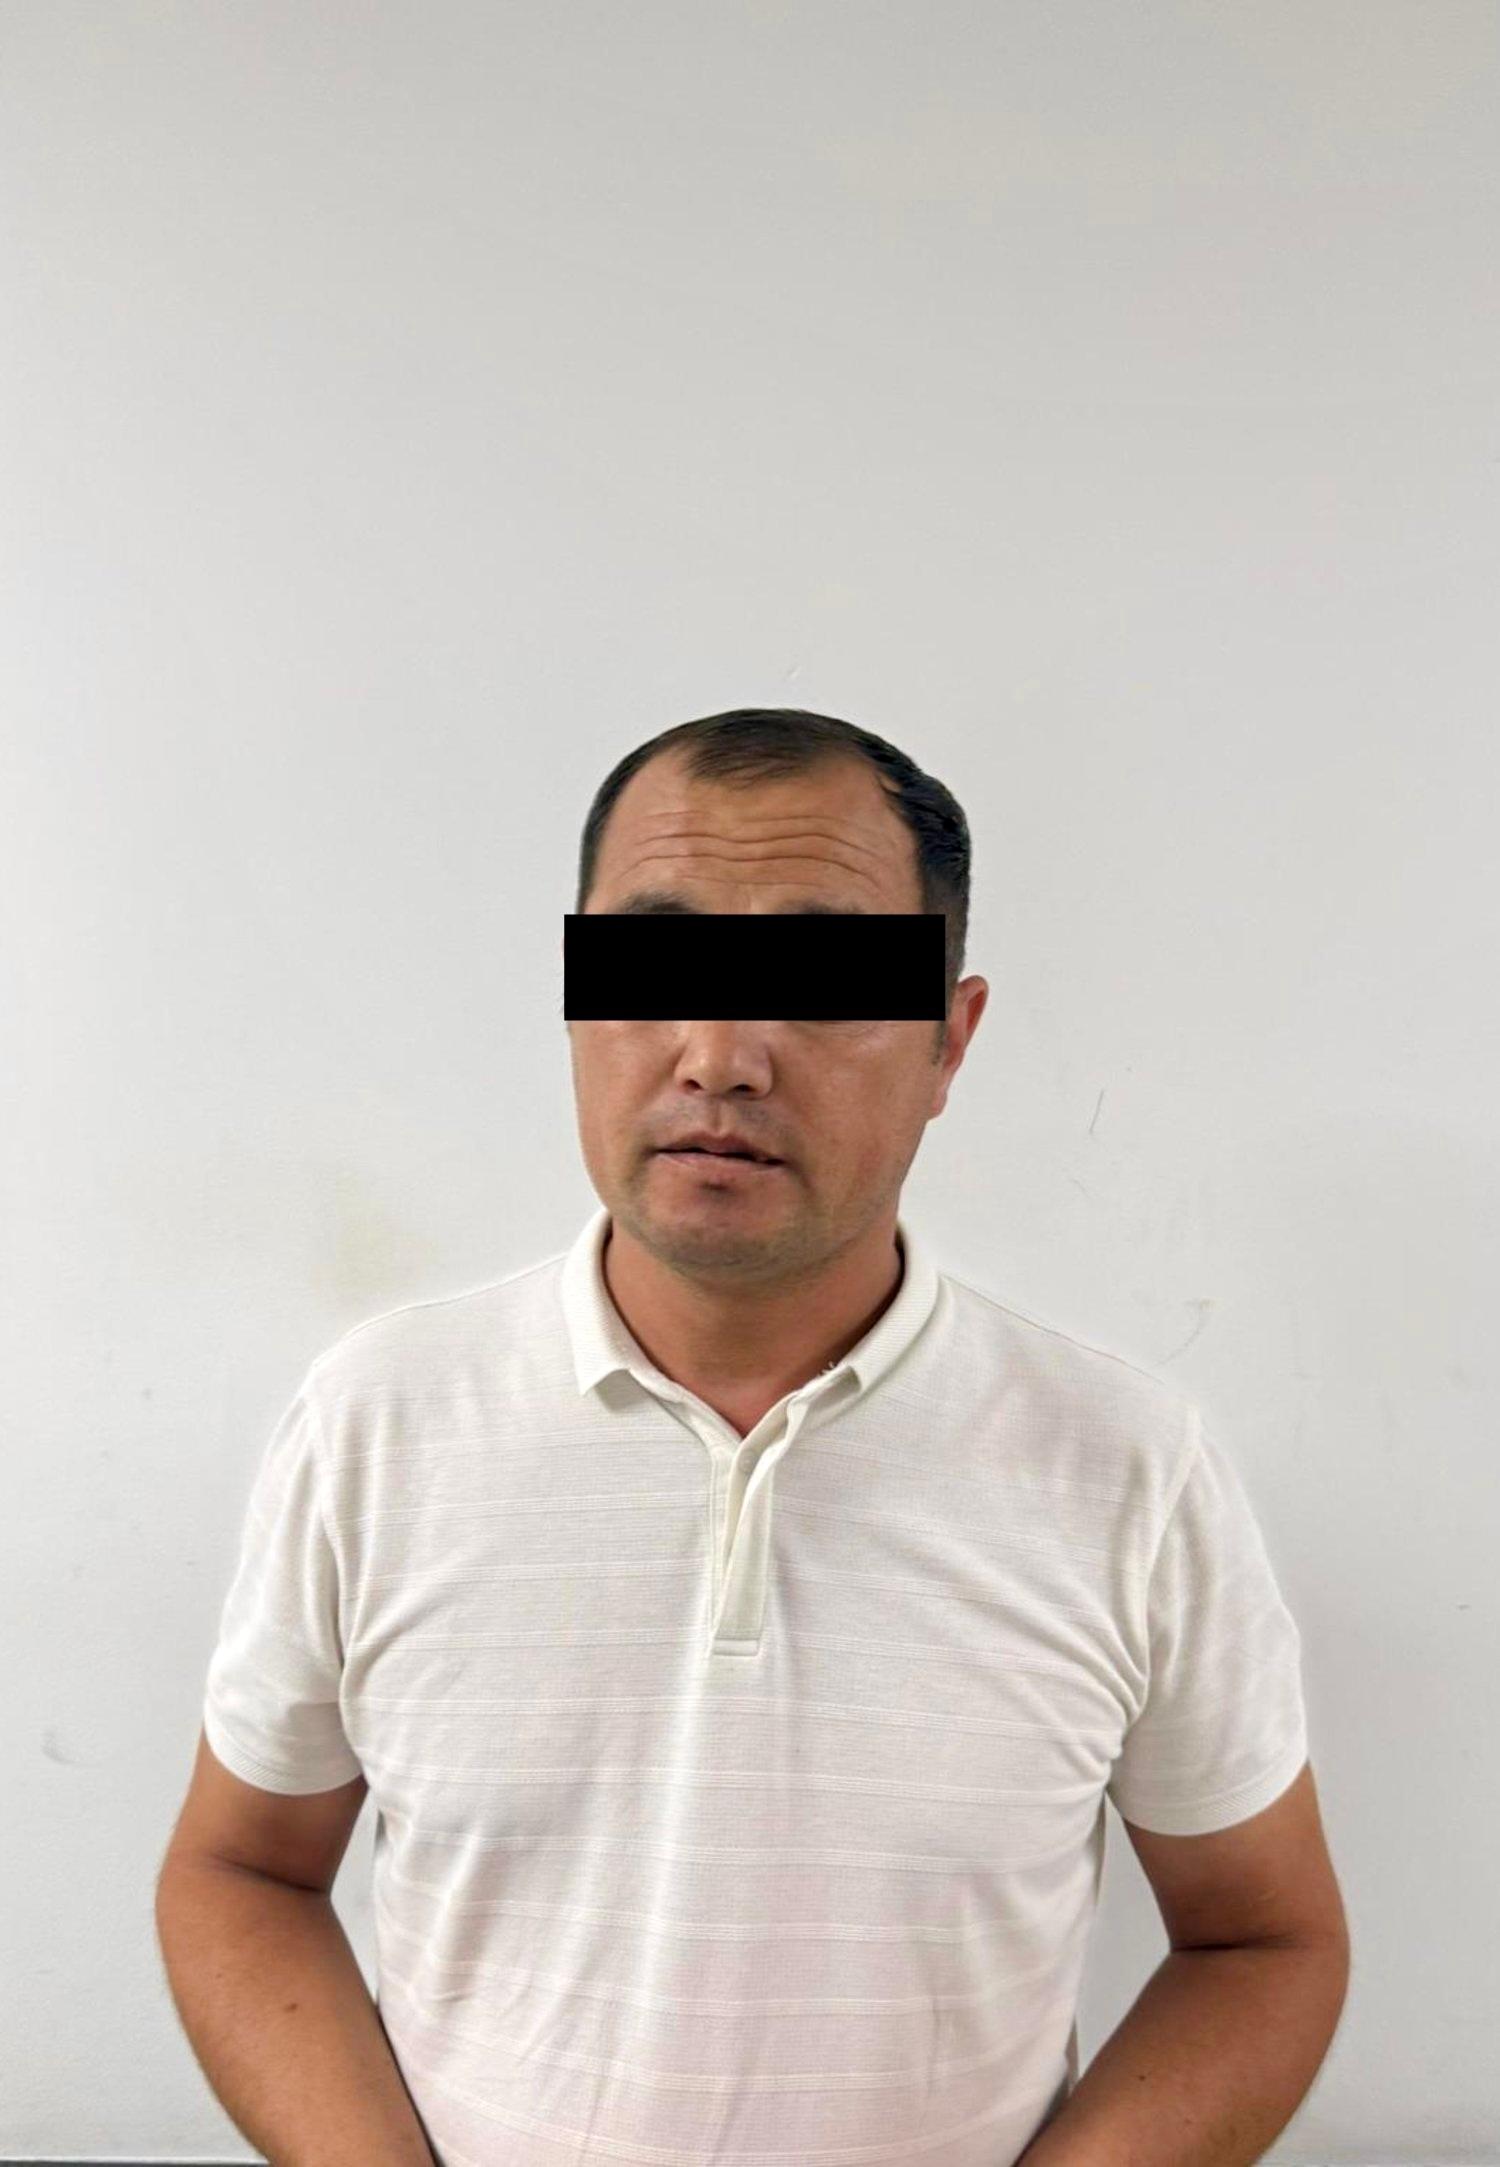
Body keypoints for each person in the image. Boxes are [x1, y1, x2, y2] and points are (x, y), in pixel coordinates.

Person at [157, 708, 1343, 2167]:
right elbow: (242, 1871)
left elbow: (1261, 1941)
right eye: (654, 971)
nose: (720, 1055)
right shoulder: (377, 1421)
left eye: (821, 982)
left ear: (949, 1041)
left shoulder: (1127, 1469)